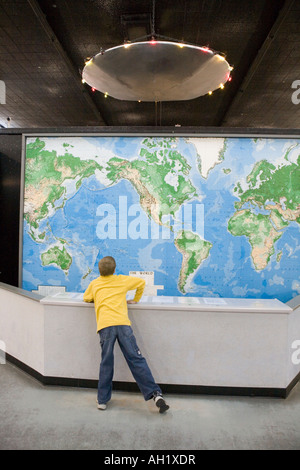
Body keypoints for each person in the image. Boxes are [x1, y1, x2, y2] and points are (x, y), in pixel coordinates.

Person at [83, 256, 169, 414]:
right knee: (136, 359)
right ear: (114, 270)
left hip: (105, 326)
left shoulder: (95, 283)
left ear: (99, 271)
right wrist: (135, 300)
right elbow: (141, 283)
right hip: (123, 325)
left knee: (106, 362)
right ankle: (155, 394)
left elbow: (86, 298)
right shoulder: (122, 280)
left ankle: (102, 400)